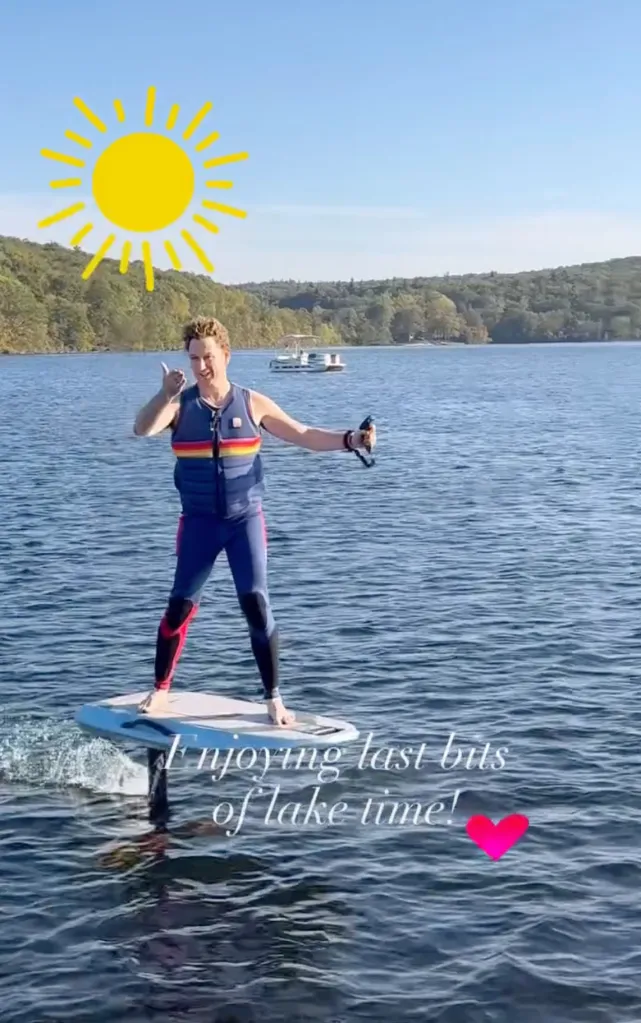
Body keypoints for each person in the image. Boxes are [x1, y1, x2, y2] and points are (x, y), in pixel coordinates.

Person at [132, 316, 376, 727]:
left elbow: (303, 434)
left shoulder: (252, 402)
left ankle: (274, 699)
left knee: (256, 604)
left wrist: (350, 439)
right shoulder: (178, 406)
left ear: (225, 354)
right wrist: (164, 394)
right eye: (193, 359)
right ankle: (160, 692)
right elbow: (142, 429)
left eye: (207, 357)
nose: (201, 366)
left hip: (244, 521)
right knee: (179, 608)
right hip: (198, 525)